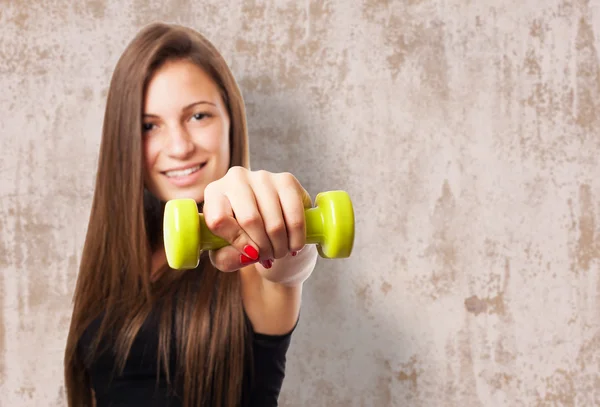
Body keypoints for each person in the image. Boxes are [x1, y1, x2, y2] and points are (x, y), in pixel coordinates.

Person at [63, 22, 318, 407]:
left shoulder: (249, 252)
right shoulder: (121, 258)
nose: (179, 147)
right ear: (125, 140)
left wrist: (285, 224)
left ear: (231, 120)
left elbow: (287, 264)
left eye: (198, 116)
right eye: (149, 126)